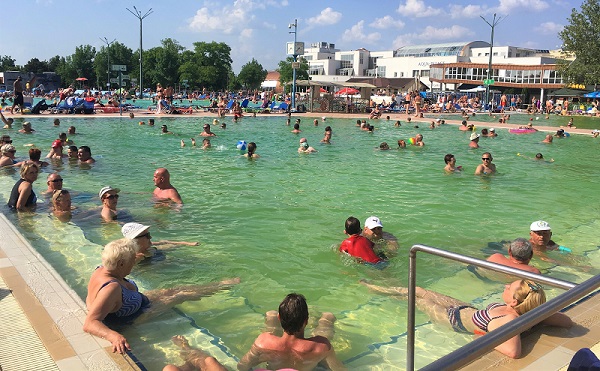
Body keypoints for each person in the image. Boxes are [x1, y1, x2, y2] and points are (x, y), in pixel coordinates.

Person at [83, 238, 240, 354]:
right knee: (180, 295)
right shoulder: (111, 288)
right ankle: (224, 286)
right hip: (134, 316)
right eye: (132, 261)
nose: (134, 264)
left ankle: (220, 284)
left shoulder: (102, 269)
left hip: (136, 300)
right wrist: (113, 336)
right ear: (121, 264)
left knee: (173, 290)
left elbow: (92, 298)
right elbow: (90, 322)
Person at [360, 279, 572, 358]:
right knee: (419, 290)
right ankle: (379, 288)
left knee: (414, 298)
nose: (506, 285)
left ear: (515, 302)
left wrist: (484, 336)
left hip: (453, 319)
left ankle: (375, 290)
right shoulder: (525, 314)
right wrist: (538, 313)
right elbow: (567, 322)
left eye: (510, 287)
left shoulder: (509, 321)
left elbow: (513, 351)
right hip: (465, 309)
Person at [237, 293, 346, 371]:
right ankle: (326, 317)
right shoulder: (321, 346)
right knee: (326, 322)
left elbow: (242, 366)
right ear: (306, 321)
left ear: (279, 318)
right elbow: (339, 369)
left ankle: (272, 316)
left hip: (273, 347)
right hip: (311, 352)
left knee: (270, 325)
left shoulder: (263, 342)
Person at [121, 222, 198, 262]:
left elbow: (165, 242)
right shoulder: (132, 257)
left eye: (149, 234)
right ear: (135, 240)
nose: (150, 237)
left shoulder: (150, 246)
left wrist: (187, 243)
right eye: (147, 235)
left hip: (153, 253)